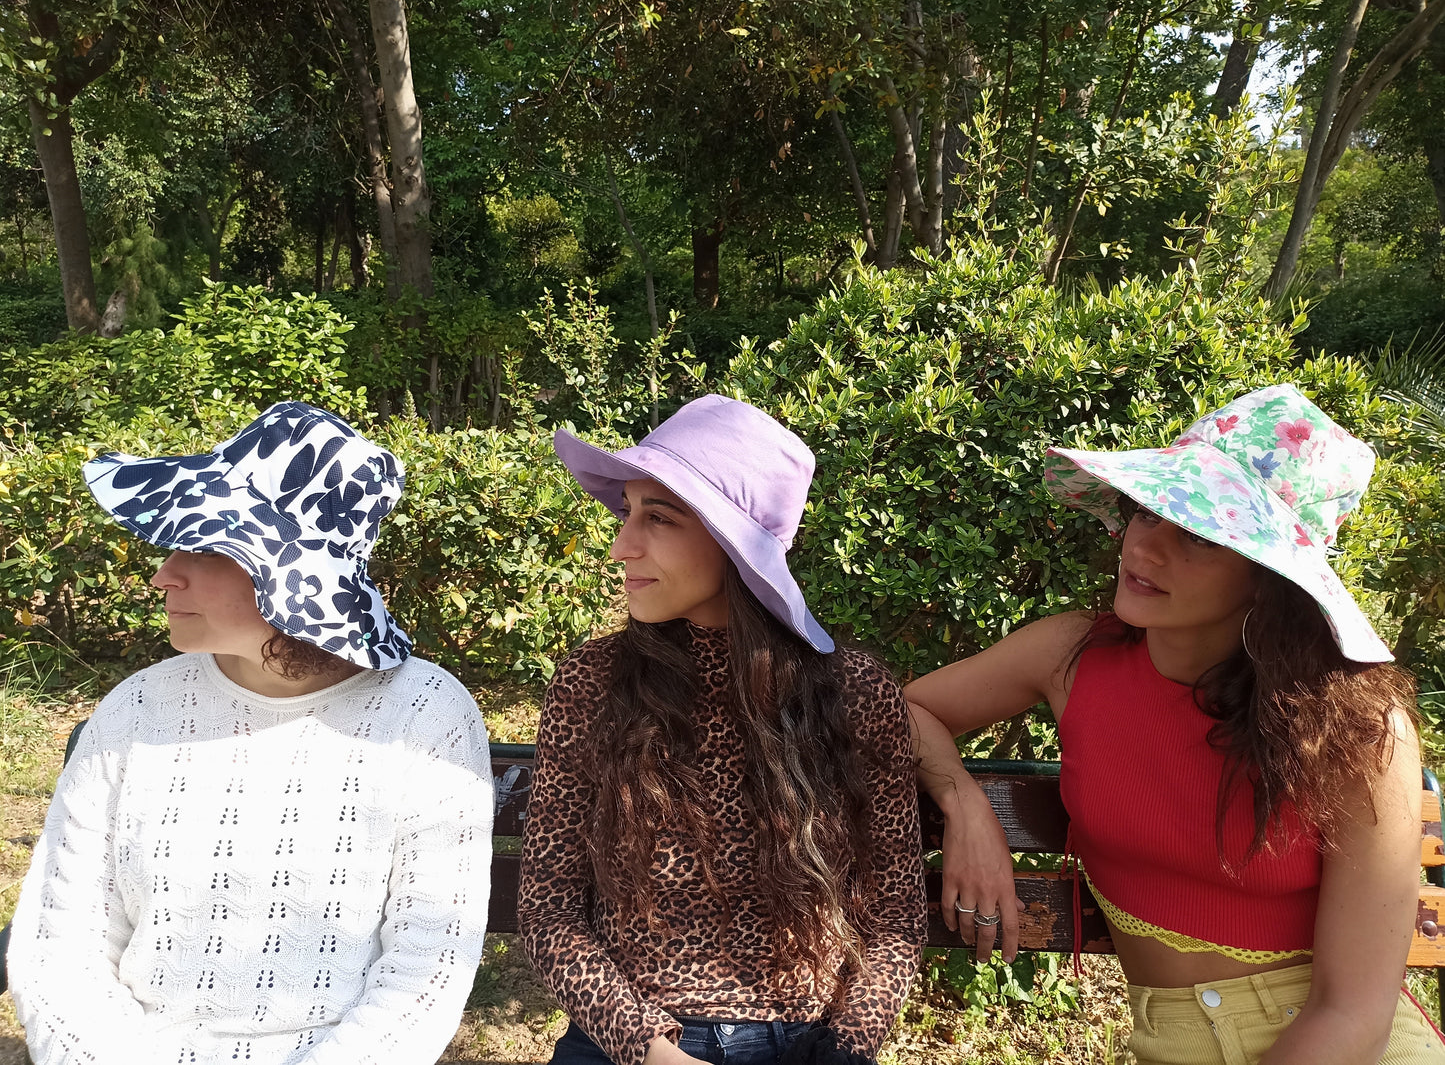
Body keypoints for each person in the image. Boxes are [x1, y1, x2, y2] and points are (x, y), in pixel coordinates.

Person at [906, 383, 1444, 1065]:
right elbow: (899, 710)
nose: (1146, 548)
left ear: (1266, 577)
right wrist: (961, 802)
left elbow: (1352, 1013)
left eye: (1197, 535)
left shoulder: (1359, 729)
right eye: (1146, 513)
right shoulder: (1070, 655)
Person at [7, 402, 494, 1065]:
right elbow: (59, 950)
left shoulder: (424, 718)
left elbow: (424, 969)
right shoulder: (134, 714)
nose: (162, 574)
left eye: (203, 548)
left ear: (291, 578)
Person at [518, 395, 926, 1065]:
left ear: (730, 542)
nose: (621, 545)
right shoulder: (592, 684)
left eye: (658, 517)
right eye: (626, 512)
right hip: (629, 1043)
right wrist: (648, 1048)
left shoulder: (850, 692)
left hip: (809, 1045)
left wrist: (848, 1049)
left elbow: (896, 920)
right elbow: (548, 911)